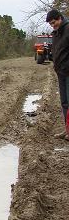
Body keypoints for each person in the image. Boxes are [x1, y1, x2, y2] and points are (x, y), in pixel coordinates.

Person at [46, 9, 69, 140]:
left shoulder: (68, 29)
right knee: (64, 102)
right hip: (61, 72)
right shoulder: (56, 33)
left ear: (60, 18)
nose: (52, 25)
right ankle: (67, 130)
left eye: (54, 22)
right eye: (50, 24)